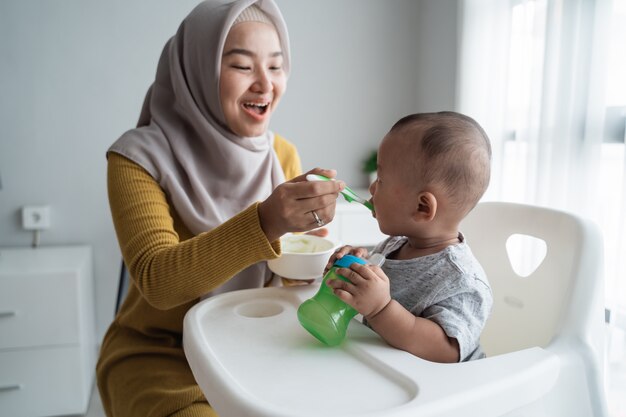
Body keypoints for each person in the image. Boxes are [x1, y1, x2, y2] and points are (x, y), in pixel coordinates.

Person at [96, 1, 344, 416]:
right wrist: (267, 221)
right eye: (243, 67)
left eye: (276, 66)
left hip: (257, 351)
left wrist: (317, 260)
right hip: (165, 362)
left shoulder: (282, 155)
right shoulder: (136, 158)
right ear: (198, 70)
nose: (265, 84)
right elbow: (158, 281)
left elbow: (284, 285)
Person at [326, 111, 493, 363]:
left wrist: (381, 308)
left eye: (381, 180)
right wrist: (353, 270)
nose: (371, 188)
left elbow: (446, 350)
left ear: (422, 207)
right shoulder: (396, 245)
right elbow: (371, 287)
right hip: (385, 370)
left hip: (444, 392)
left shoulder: (462, 280)